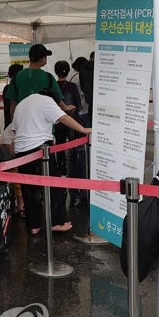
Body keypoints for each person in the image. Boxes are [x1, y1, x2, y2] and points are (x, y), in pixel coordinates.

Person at [2, 90, 92, 235]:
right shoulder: (46, 101)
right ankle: (57, 222)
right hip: (39, 150)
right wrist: (83, 129)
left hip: (21, 152)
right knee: (54, 185)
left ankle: (34, 225)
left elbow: (14, 128)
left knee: (29, 189)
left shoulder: (22, 103)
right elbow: (63, 118)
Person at [3, 44, 73, 116]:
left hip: (23, 122)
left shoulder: (16, 77)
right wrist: (66, 108)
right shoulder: (48, 77)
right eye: (45, 57)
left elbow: (13, 105)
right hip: (43, 123)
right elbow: (58, 100)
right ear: (41, 59)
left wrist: (14, 124)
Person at [55, 60, 87, 208]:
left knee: (59, 151)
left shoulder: (53, 87)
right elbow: (79, 106)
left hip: (57, 124)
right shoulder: (72, 86)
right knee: (74, 156)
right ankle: (74, 187)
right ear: (68, 71)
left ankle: (60, 176)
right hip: (72, 125)